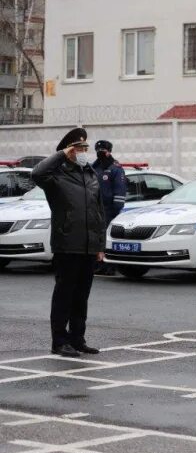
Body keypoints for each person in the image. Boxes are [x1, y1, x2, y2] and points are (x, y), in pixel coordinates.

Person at [32, 128, 106, 358]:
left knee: (81, 296)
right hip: (67, 244)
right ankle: (59, 341)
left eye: (86, 148)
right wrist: (60, 155)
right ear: (69, 151)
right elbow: (37, 173)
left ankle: (77, 338)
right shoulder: (57, 177)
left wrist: (100, 246)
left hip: (88, 246)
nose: (84, 152)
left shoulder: (91, 174)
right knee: (64, 295)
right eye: (79, 148)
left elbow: (98, 213)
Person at [92, 139, 127, 276]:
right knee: (96, 238)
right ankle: (97, 264)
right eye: (98, 151)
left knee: (106, 238)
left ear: (109, 152)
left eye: (103, 151)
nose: (100, 153)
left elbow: (120, 191)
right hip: (94, 209)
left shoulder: (116, 169)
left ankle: (108, 266)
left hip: (108, 209)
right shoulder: (94, 168)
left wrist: (115, 211)